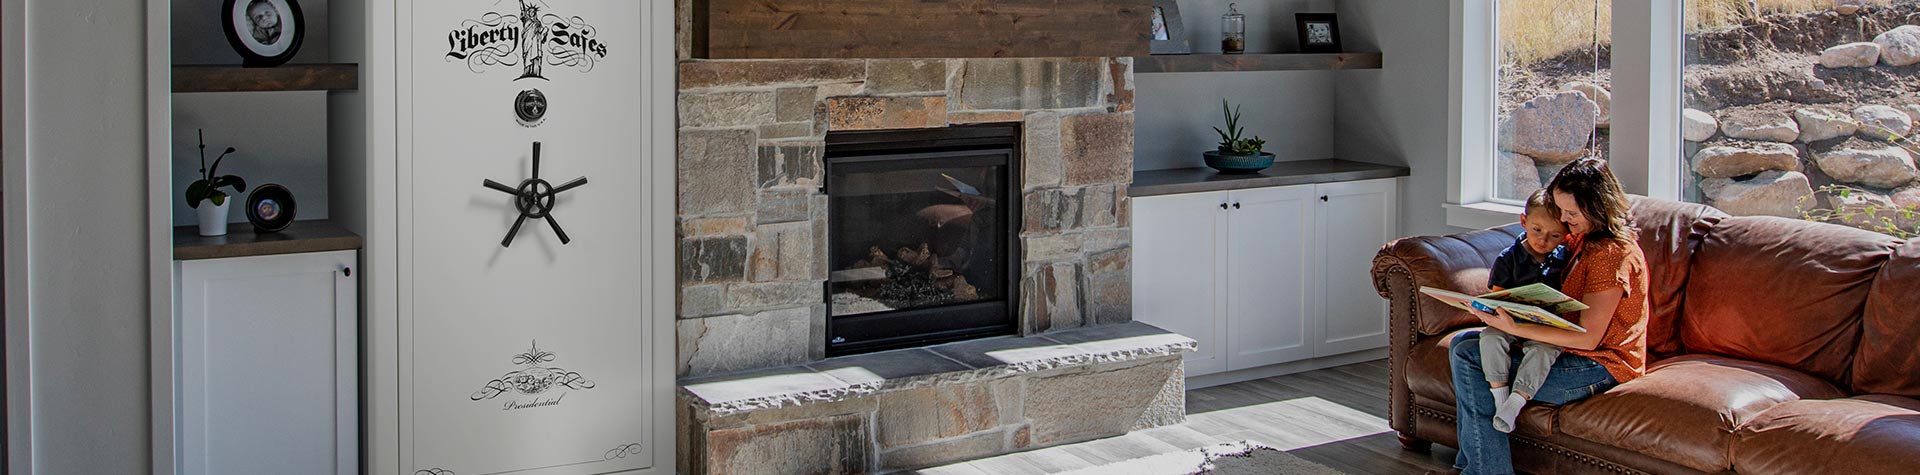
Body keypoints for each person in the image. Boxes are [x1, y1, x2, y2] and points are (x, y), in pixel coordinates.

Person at [1431, 158, 1650, 475]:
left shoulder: (1613, 255)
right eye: (1561, 211)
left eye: (1571, 213)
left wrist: (1516, 325)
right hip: (1564, 351)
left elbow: (1589, 338)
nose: (1564, 220)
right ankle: (1471, 467)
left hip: (1599, 364)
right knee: (1464, 344)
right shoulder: (1581, 237)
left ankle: (1483, 470)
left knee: (1469, 358)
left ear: (1597, 207)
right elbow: (1533, 246)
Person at [1479, 189, 1572, 434]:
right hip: (1509, 321)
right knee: (1490, 337)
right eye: (1537, 230)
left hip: (1544, 328)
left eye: (1554, 235)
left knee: (1544, 350)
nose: (1543, 240)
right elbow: (1498, 300)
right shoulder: (1507, 259)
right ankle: (1500, 397)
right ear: (1524, 222)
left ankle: (1515, 401)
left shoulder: (1565, 259)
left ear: (1566, 236)